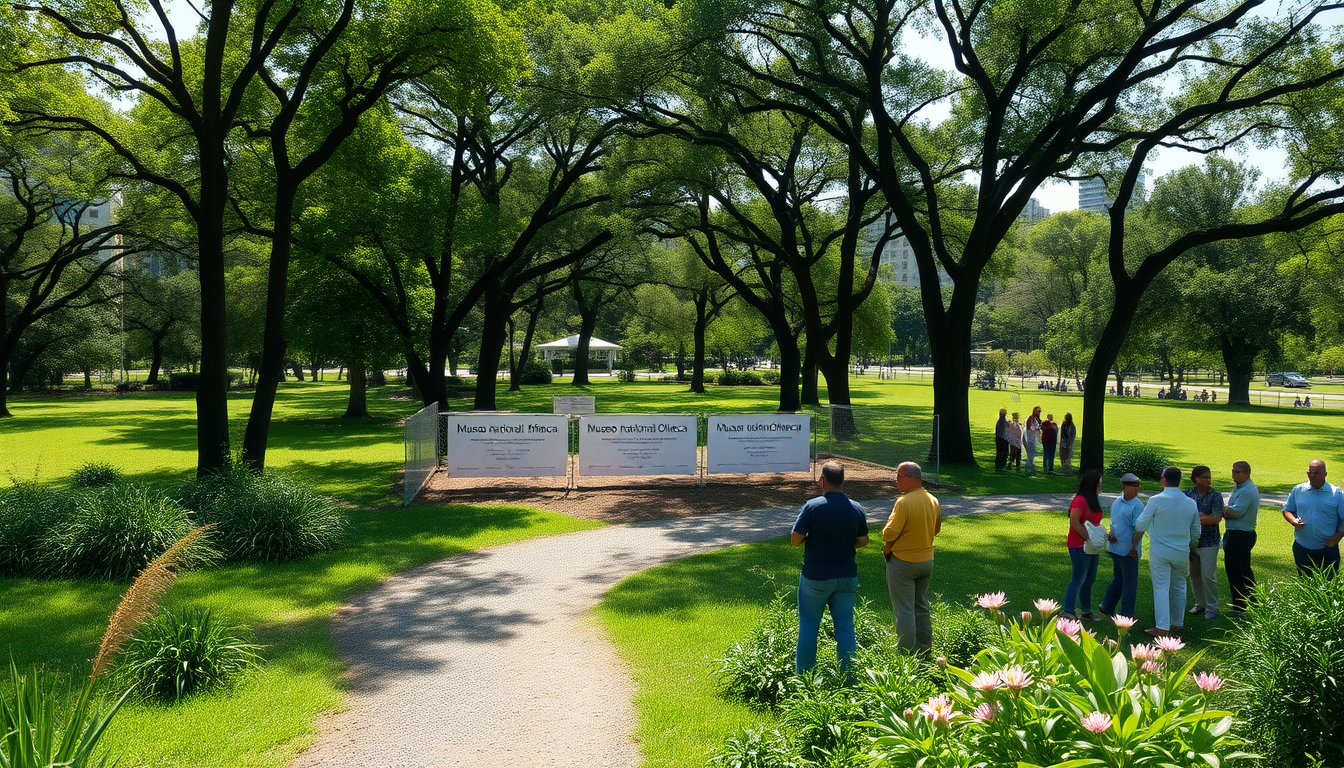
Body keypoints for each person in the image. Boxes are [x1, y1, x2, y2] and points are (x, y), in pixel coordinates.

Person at [791, 461, 870, 673]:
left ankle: (805, 678)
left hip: (816, 577)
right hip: (846, 576)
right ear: (843, 480)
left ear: (822, 481)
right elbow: (863, 540)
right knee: (845, 627)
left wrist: (811, 540)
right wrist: (845, 544)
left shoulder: (812, 506)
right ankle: (849, 677)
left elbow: (795, 540)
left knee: (809, 626)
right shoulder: (856, 507)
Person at [883, 462, 942, 655]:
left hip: (903, 562)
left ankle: (906, 655)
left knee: (905, 610)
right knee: (921, 606)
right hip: (926, 561)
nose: (896, 480)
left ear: (910, 479)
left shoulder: (904, 502)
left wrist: (887, 548)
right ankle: (925, 649)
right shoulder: (932, 499)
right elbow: (936, 529)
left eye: (898, 477)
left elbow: (889, 533)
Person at [1135, 467, 1201, 637]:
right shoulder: (1190, 502)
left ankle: (1162, 627)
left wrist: (1151, 529)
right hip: (1182, 551)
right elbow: (1196, 530)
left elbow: (1140, 524)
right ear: (1179, 481)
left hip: (1160, 551)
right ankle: (1177, 624)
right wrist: (1192, 547)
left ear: (1163, 480)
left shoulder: (1156, 500)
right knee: (1179, 587)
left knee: (1161, 588)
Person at [1282, 460, 1344, 575]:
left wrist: (1338, 535)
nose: (1312, 475)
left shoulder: (1336, 493)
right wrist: (1293, 520)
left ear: (1325, 474)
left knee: (1328, 583)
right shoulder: (1298, 490)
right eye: (1310, 472)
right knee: (1305, 582)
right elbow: (1287, 510)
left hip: (1327, 547)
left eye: (1316, 473)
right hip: (1302, 546)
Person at [1101, 473, 1145, 619]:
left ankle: (1109, 606)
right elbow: (1114, 523)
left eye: (1138, 486)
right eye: (1133, 486)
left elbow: (1138, 528)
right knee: (1126, 583)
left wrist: (1133, 547)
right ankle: (1125, 615)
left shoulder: (1138, 505)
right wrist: (1111, 534)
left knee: (1122, 581)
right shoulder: (1117, 503)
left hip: (1128, 550)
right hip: (1118, 549)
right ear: (1124, 486)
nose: (1136, 489)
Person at [1063, 469, 1105, 621]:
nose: (1100, 486)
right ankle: (1068, 610)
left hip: (1092, 546)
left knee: (1090, 579)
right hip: (1079, 545)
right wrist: (1089, 537)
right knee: (1078, 578)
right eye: (1099, 484)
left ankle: (1086, 611)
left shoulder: (1093, 500)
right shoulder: (1080, 500)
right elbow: (1074, 522)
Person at [1185, 466, 1224, 620]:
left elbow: (1216, 518)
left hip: (1209, 541)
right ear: (1196, 478)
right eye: (1205, 477)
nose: (1208, 480)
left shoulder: (1215, 495)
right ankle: (1200, 604)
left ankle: (1212, 607)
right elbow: (1183, 516)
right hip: (1191, 542)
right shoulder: (1187, 495)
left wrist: (1195, 519)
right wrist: (1202, 518)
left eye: (1209, 477)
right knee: (1194, 575)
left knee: (1208, 575)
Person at [1222, 461, 1260, 616]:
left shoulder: (1246, 491)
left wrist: (1219, 509)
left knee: (1235, 571)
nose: (1233, 474)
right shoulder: (1241, 488)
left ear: (1246, 472)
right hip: (1238, 533)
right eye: (1233, 471)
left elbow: (1235, 513)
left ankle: (1239, 607)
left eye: (1237, 472)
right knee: (1243, 570)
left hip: (1240, 535)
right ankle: (1254, 602)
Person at [1024, 406, 1043, 476]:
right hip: (1030, 440)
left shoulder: (1035, 419)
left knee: (1032, 455)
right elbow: (1029, 428)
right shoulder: (1030, 418)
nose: (1039, 413)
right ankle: (1028, 468)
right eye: (1038, 412)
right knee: (1030, 455)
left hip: (1033, 439)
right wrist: (1036, 429)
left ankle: (1030, 467)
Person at [994, 408, 1009, 473]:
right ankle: (999, 468)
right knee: (1001, 453)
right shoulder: (1001, 422)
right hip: (1001, 439)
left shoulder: (1002, 421)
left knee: (1003, 453)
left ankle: (1000, 467)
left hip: (1003, 439)